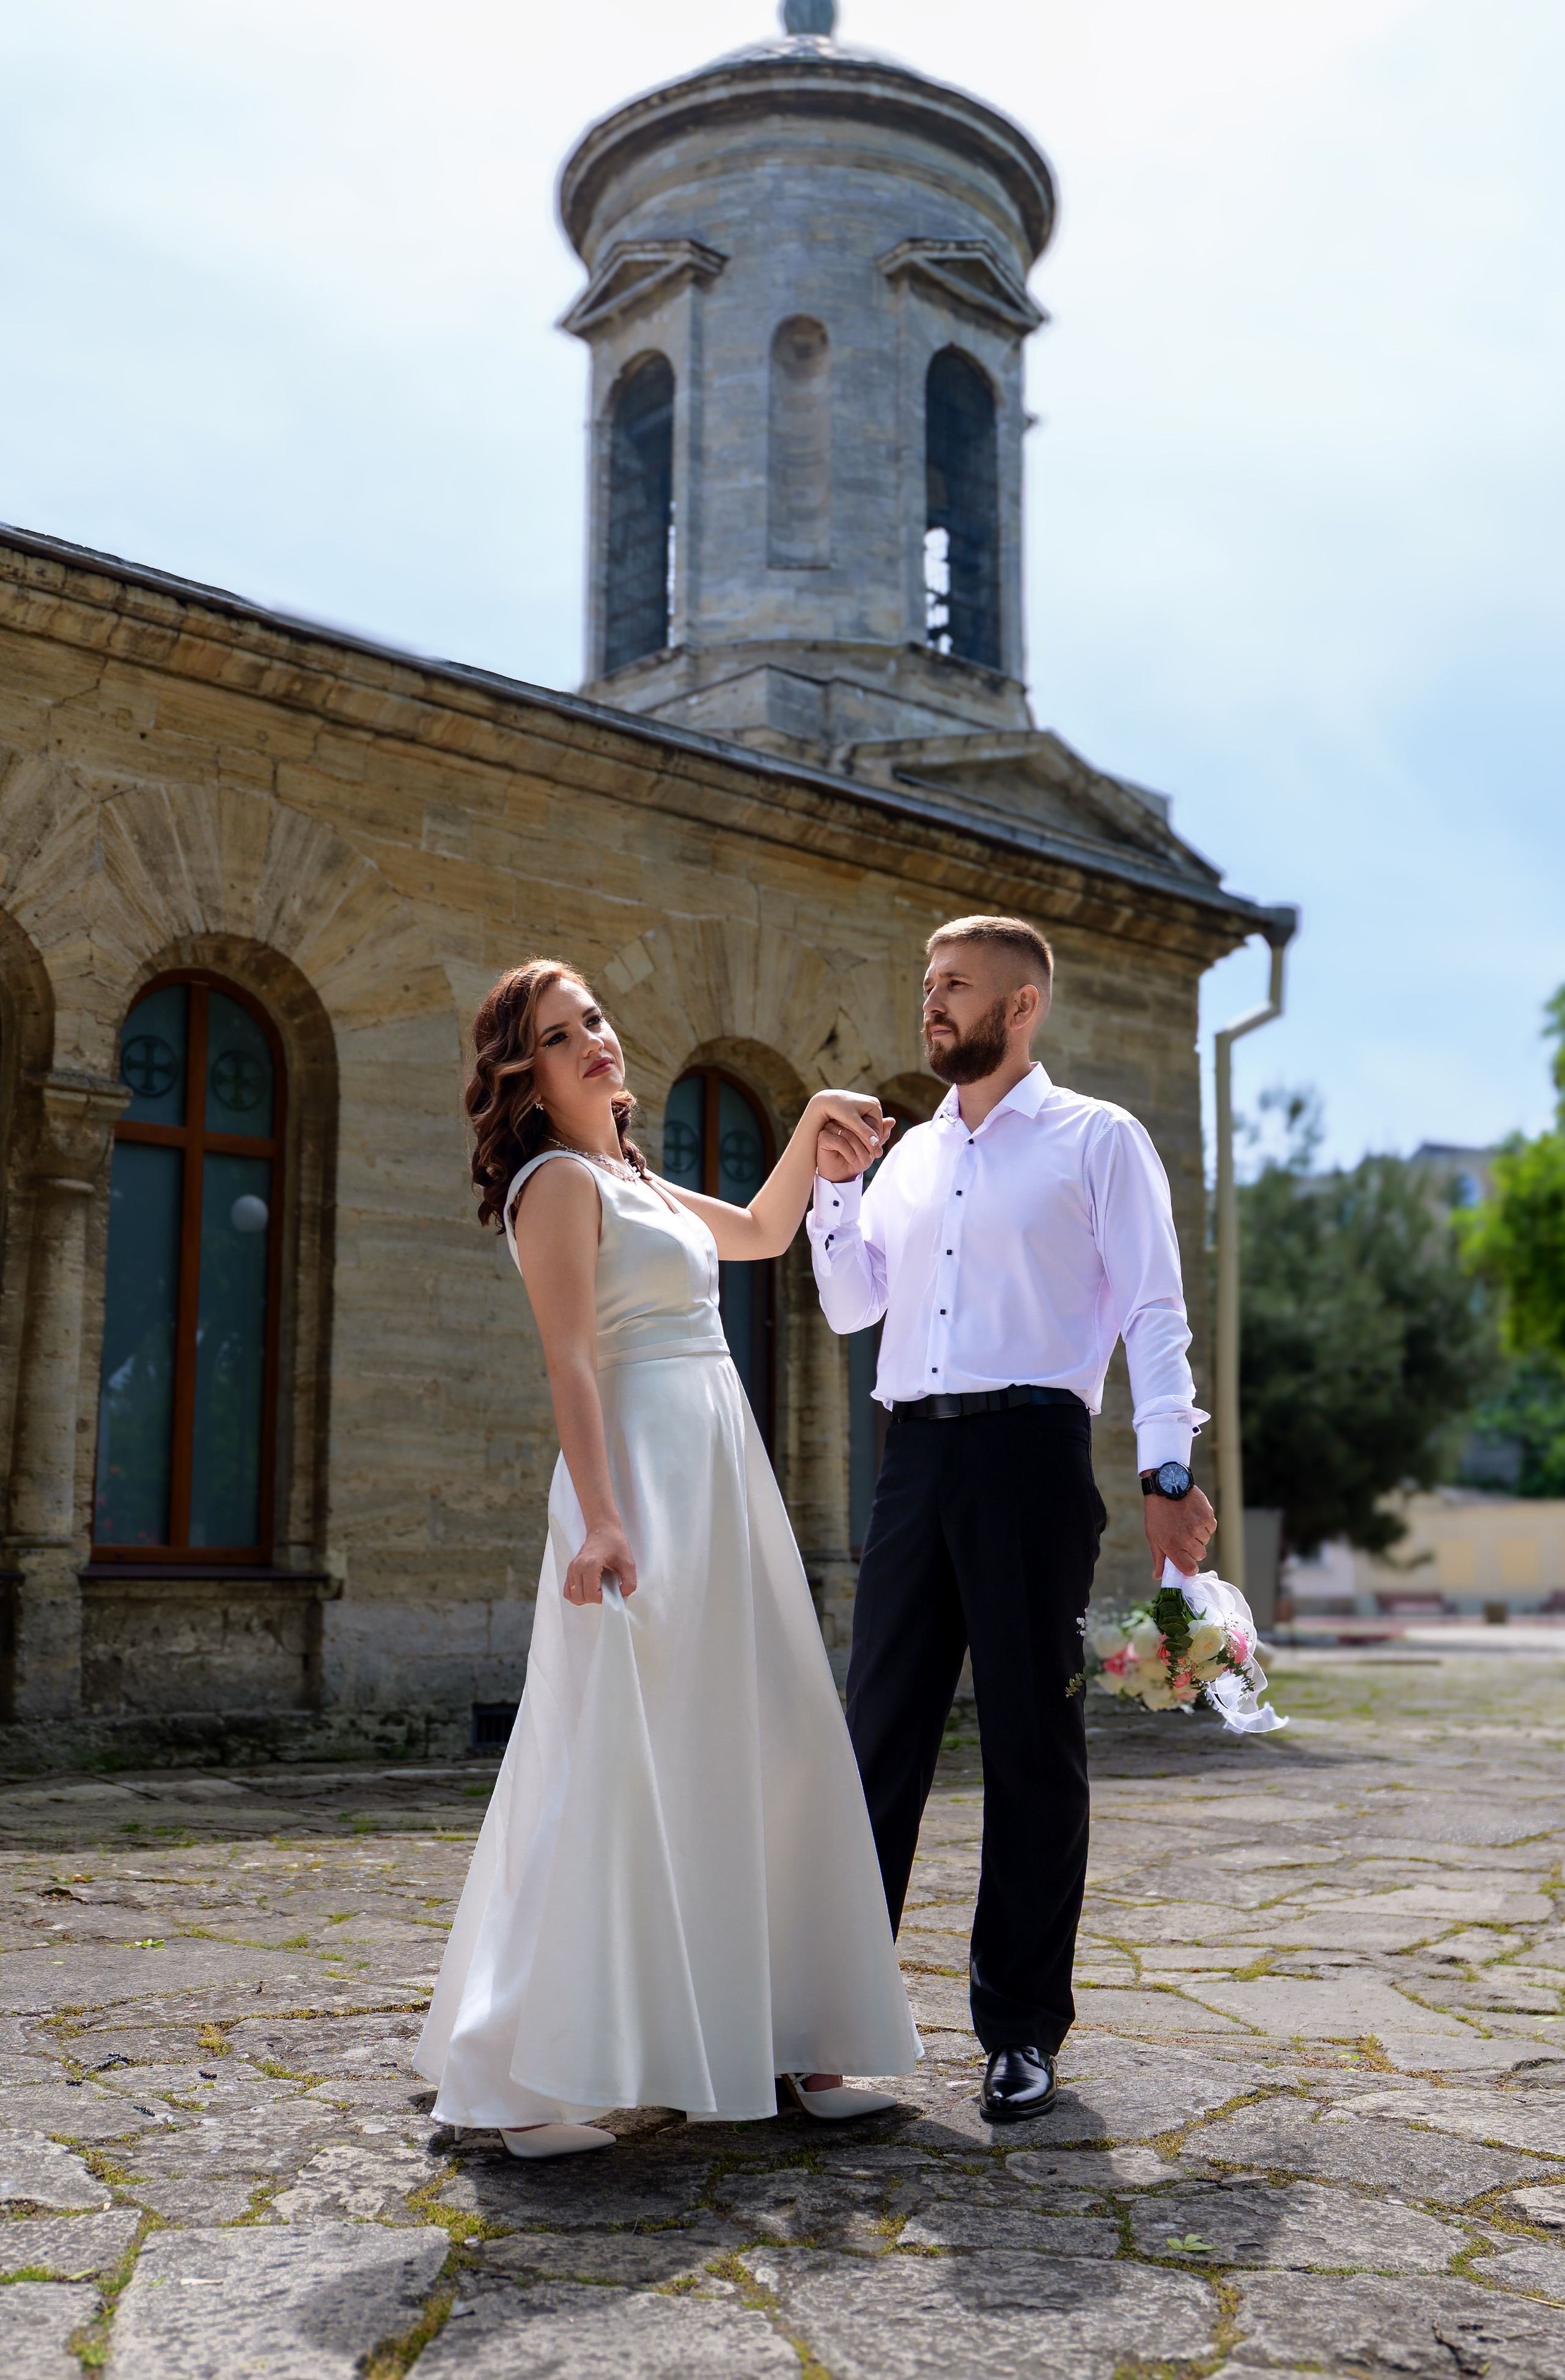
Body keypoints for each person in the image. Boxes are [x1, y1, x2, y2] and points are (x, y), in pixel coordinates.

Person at [417, 959, 920, 2159]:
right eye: (557, 1033)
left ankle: (796, 2032)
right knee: (608, 1756)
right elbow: (572, 1362)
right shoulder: (551, 1184)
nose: (593, 1039)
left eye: (592, 1017)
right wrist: (599, 1517)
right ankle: (526, 2079)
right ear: (522, 1078)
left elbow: (754, 1233)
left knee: (771, 1736)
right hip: (635, 1485)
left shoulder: (629, 1176)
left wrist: (804, 1124)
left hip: (719, 1477)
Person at [809, 914, 1216, 2124]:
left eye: (954, 987)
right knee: (872, 1735)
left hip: (1034, 1455)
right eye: (925, 984)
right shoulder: (910, 1157)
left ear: (1020, 1007)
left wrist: (1162, 1473)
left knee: (1031, 1750)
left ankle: (1019, 2030)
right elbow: (848, 1309)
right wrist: (835, 1198)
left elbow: (1151, 1309)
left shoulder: (1097, 1139)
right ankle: (829, 2018)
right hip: (911, 1462)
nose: (931, 1005)